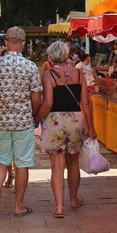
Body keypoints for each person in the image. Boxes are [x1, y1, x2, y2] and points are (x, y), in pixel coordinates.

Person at [0, 27, 42, 218]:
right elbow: (37, 97)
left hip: (1, 120)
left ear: (6, 43)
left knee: (1, 160)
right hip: (23, 121)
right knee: (22, 163)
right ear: (23, 44)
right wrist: (33, 115)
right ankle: (18, 206)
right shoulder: (30, 67)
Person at [35, 42, 97, 218]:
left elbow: (47, 103)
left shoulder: (49, 75)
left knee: (57, 166)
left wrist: (36, 119)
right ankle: (74, 199)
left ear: (50, 57)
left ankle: (59, 207)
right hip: (75, 120)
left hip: (55, 121)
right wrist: (91, 127)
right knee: (73, 163)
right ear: (67, 55)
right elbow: (85, 102)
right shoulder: (78, 73)